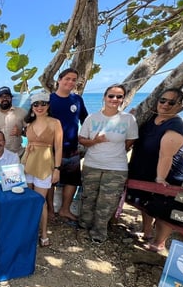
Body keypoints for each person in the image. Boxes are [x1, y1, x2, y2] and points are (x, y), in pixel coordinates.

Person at [127, 88, 183, 253]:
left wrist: (160, 179)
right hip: (144, 171)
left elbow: (166, 155)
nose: (165, 105)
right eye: (163, 100)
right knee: (146, 203)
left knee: (164, 208)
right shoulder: (151, 119)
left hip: (168, 175)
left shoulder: (176, 125)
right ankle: (147, 232)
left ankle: (159, 242)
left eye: (171, 102)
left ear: (179, 105)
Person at [78, 84, 138, 244]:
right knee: (88, 198)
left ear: (123, 99)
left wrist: (116, 151)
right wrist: (95, 141)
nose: (114, 99)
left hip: (116, 168)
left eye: (119, 97)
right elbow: (82, 139)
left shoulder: (128, 119)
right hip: (92, 164)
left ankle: (99, 233)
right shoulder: (92, 118)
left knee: (107, 202)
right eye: (111, 96)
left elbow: (130, 140)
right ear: (104, 97)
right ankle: (84, 226)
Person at [21, 91, 63, 247]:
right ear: (32, 106)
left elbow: (58, 148)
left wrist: (57, 168)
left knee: (40, 201)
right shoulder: (28, 123)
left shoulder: (55, 123)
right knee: (27, 200)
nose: (39, 107)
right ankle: (30, 230)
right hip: (28, 164)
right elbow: (27, 145)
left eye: (43, 104)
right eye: (36, 104)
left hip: (45, 165)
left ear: (48, 105)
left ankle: (43, 232)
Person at [48, 68, 88, 222]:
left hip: (72, 148)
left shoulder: (77, 100)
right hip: (51, 149)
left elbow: (86, 120)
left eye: (74, 80)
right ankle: (51, 210)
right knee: (50, 181)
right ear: (59, 79)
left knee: (72, 180)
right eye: (67, 79)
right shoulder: (49, 99)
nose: (70, 82)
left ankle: (65, 210)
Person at [0, 86, 27, 156]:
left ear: (11, 98)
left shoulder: (22, 112)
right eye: (1, 97)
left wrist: (21, 132)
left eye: (7, 96)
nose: (4, 99)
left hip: (17, 154)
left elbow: (30, 133)